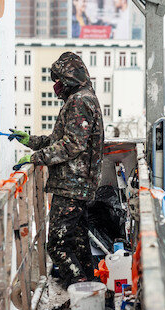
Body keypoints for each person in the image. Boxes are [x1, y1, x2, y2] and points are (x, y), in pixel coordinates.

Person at [9, 52, 104, 288]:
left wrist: (35, 158)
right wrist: (30, 141)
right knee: (78, 245)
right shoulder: (82, 99)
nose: (56, 85)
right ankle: (90, 295)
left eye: (59, 79)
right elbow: (58, 140)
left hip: (73, 186)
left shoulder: (80, 101)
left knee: (57, 245)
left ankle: (81, 292)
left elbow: (72, 145)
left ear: (70, 77)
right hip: (77, 186)